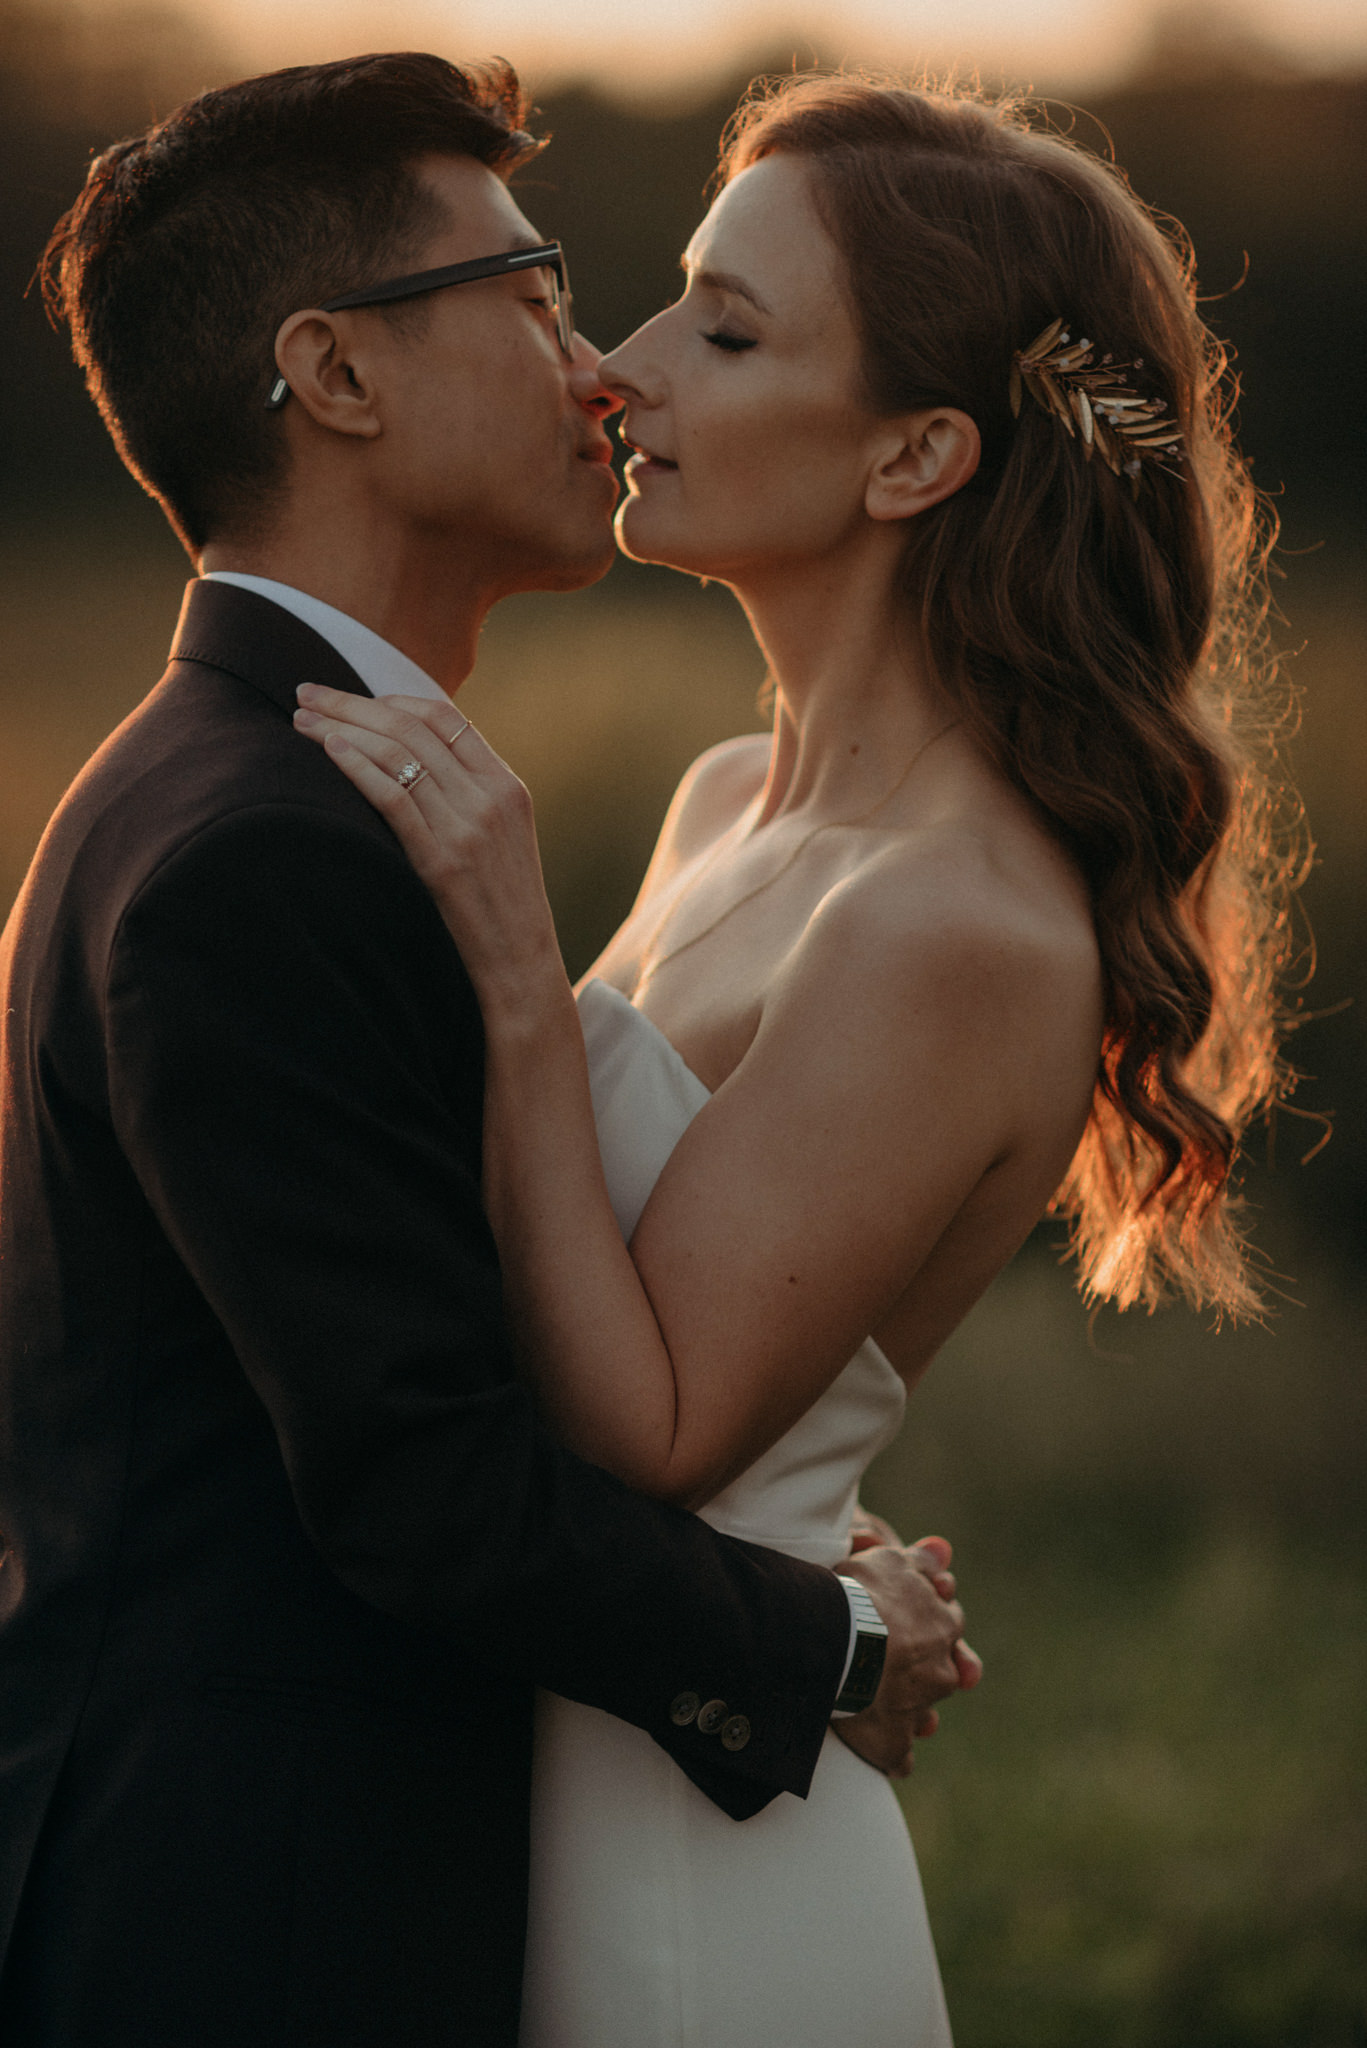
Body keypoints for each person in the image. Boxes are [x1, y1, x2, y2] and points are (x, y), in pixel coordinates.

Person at [294, 70, 1299, 2048]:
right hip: (578, 1731)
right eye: (664, 301)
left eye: (728, 332)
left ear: (917, 452)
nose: (619, 369)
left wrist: (512, 969)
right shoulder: (721, 798)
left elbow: (655, 1433)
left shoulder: (957, 926)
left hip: (689, 1853)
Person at [0, 55, 977, 2048]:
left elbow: (438, 1342)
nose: (601, 370)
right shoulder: (250, 851)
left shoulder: (290, 789)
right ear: (337, 377)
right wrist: (824, 1637)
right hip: (244, 1930)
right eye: (536, 296)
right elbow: (422, 1482)